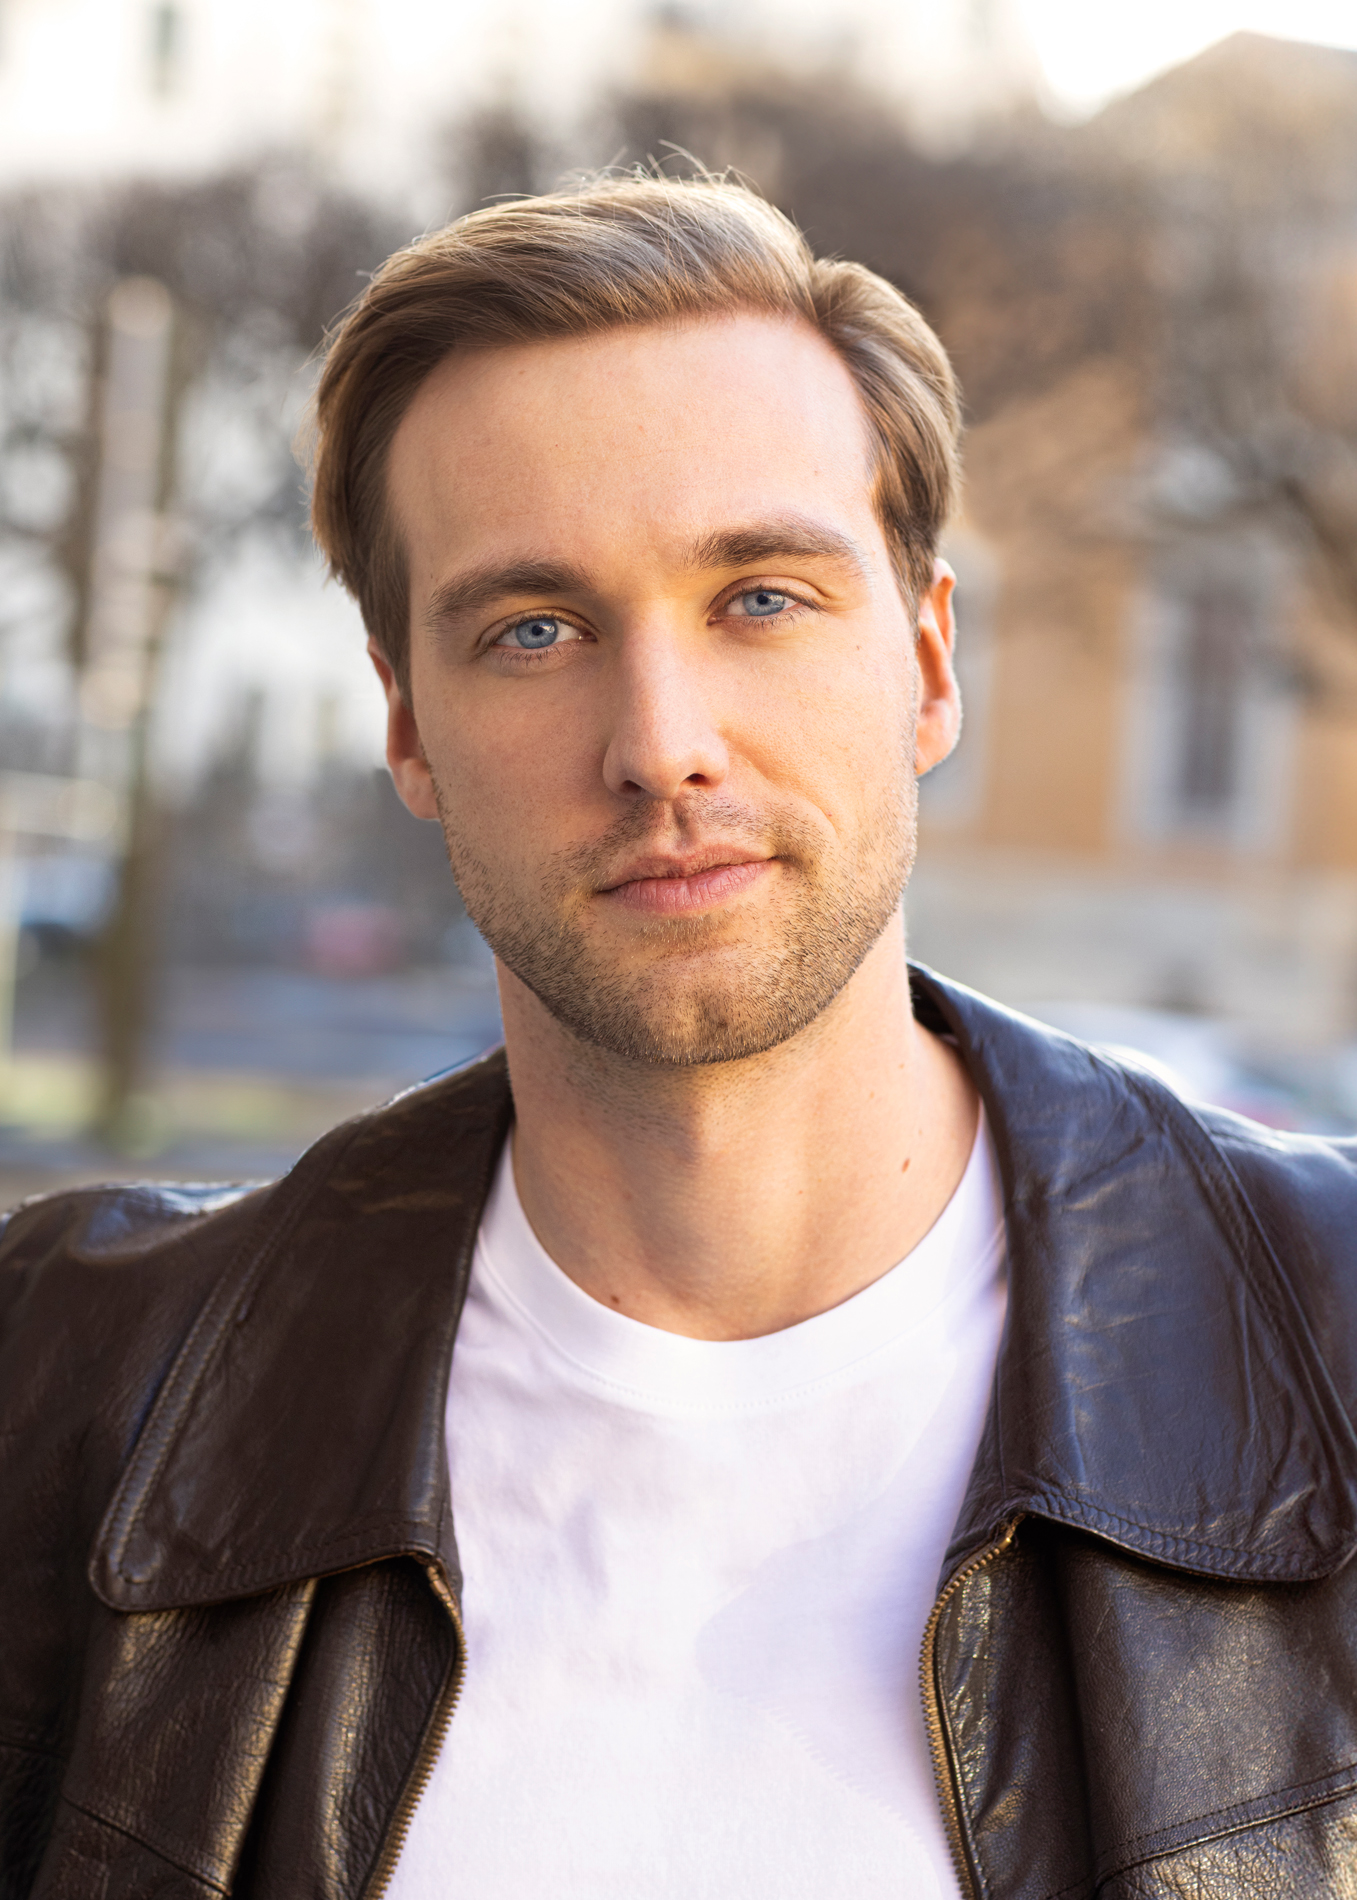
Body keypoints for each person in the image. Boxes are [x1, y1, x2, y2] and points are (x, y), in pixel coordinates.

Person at [3, 175, 1357, 1900]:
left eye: (761, 598)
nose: (660, 745)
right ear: (408, 730)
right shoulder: (70, 1397)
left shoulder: (1331, 1334)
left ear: (929, 665)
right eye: (535, 631)